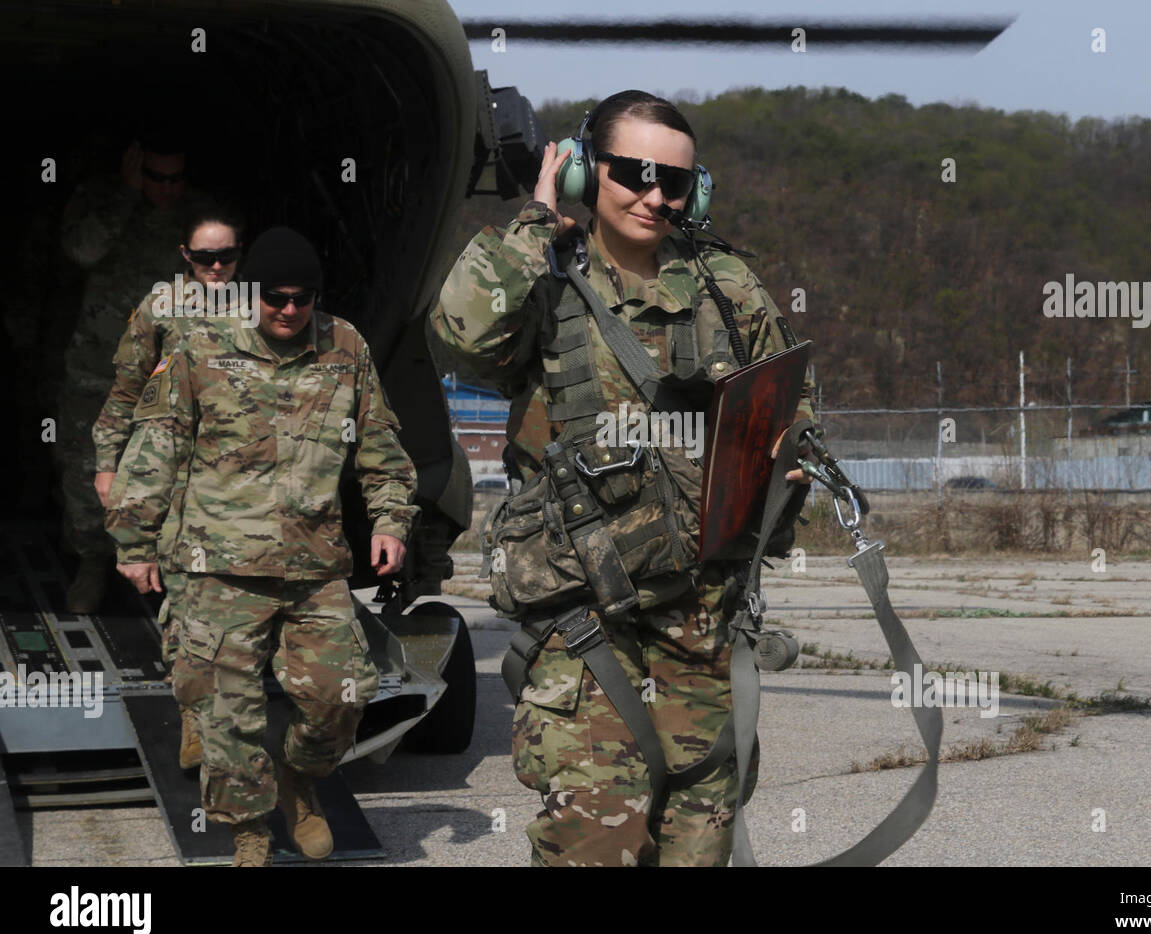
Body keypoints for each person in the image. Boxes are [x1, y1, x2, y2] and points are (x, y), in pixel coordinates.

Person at [430, 90, 815, 866]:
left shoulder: (727, 289)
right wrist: (537, 219)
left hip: (703, 616)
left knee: (700, 840)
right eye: (633, 173)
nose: (654, 196)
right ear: (582, 172)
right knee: (595, 843)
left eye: (675, 182)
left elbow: (788, 407)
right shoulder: (541, 278)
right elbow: (459, 335)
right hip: (584, 618)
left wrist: (788, 466)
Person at [106, 227, 419, 866]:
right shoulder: (199, 348)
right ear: (253, 294)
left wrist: (390, 520)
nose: (287, 310)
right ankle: (250, 837)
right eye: (274, 297)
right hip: (217, 565)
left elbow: (380, 444)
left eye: (301, 299)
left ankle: (299, 779)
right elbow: (156, 444)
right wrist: (133, 540)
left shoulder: (344, 346)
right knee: (226, 717)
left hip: (314, 565)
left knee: (343, 696)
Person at [94, 209, 243, 770]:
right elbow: (125, 391)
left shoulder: (262, 308)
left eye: (227, 256)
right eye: (205, 258)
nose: (217, 267)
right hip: (179, 474)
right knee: (185, 597)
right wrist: (107, 463)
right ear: (185, 256)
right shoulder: (161, 308)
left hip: (242, 478)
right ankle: (194, 716)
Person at [59, 132, 204, 612]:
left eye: (176, 178)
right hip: (98, 362)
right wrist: (124, 195)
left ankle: (158, 572)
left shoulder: (201, 215)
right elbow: (82, 250)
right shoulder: (105, 200)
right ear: (134, 167)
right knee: (88, 470)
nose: (167, 188)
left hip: (169, 371)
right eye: (156, 177)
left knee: (170, 470)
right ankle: (92, 564)